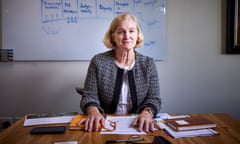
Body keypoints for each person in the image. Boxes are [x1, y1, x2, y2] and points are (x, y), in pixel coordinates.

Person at [79, 12, 161, 133]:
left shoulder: (148, 64)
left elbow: (154, 99)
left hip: (138, 126)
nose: (127, 36)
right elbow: (89, 96)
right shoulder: (98, 61)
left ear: (137, 35)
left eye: (132, 31)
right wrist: (93, 111)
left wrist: (146, 114)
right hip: (104, 125)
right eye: (121, 31)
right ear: (112, 37)